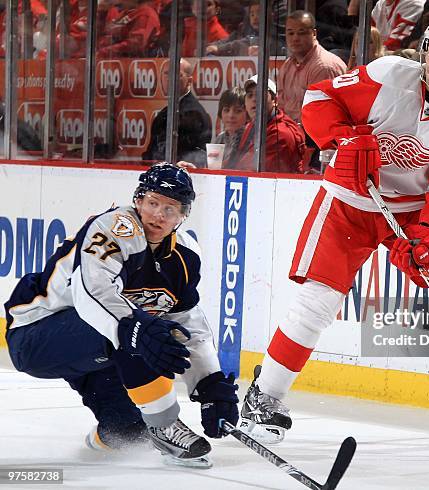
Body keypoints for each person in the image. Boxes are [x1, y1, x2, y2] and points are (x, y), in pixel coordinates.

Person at [240, 17, 429, 447]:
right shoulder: (390, 75)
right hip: (348, 204)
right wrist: (342, 139)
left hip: (408, 214)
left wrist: (425, 237)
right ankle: (264, 396)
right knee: (318, 301)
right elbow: (319, 97)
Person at [4, 163, 239, 467]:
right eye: (153, 203)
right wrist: (136, 330)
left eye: (170, 209)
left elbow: (187, 322)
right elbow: (92, 297)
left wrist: (209, 384)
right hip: (36, 334)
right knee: (140, 331)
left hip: (96, 352)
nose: (158, 215)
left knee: (128, 432)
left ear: (183, 215)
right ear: (138, 200)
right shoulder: (114, 229)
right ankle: (166, 425)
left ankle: (108, 435)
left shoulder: (186, 254)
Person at [276, 10, 347, 124]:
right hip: (294, 133)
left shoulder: (323, 67)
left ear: (314, 34)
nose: (295, 38)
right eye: (290, 33)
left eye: (301, 32)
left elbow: (321, 118)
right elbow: (281, 107)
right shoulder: (287, 66)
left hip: (317, 137)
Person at [227, 75, 305, 173]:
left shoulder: (281, 134)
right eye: (250, 95)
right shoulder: (253, 125)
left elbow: (251, 171)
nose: (254, 99)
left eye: (260, 94)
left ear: (275, 101)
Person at [142, 59, 212, 168]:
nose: (170, 78)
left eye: (177, 74)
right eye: (166, 73)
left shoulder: (194, 114)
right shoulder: (164, 113)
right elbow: (152, 152)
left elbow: (195, 156)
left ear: (189, 81)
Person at [212, 87, 248, 167]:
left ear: (247, 114)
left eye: (238, 111)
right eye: (226, 110)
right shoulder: (220, 138)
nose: (231, 115)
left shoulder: (250, 139)